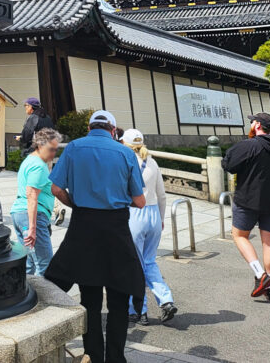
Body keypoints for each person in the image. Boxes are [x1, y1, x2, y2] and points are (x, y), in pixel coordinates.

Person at [45, 110, 145, 363]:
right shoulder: (124, 152)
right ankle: (116, 358)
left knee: (89, 297)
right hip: (115, 230)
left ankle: (93, 356)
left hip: (84, 227)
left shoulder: (75, 147)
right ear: (113, 129)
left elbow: (56, 187)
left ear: (89, 127)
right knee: (119, 298)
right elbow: (140, 201)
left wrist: (76, 203)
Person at [222, 112, 270, 300]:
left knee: (239, 236)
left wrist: (247, 141)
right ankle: (269, 284)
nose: (251, 124)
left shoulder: (249, 145)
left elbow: (229, 165)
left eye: (252, 122)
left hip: (248, 200)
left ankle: (260, 274)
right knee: (269, 243)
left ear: (257, 125)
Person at [122, 129, 176, 326]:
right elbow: (162, 195)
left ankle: (139, 311)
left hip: (134, 213)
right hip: (153, 213)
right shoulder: (152, 161)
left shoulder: (125, 162)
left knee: (134, 265)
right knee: (149, 261)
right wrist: (161, 219)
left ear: (124, 144)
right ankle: (165, 299)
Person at [11, 128, 61, 275]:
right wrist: (32, 228)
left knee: (29, 263)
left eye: (56, 149)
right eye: (51, 149)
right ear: (39, 145)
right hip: (32, 216)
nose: (53, 154)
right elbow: (32, 194)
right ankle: (41, 298)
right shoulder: (38, 166)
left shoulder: (30, 160)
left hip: (21, 214)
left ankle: (26, 296)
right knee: (44, 264)